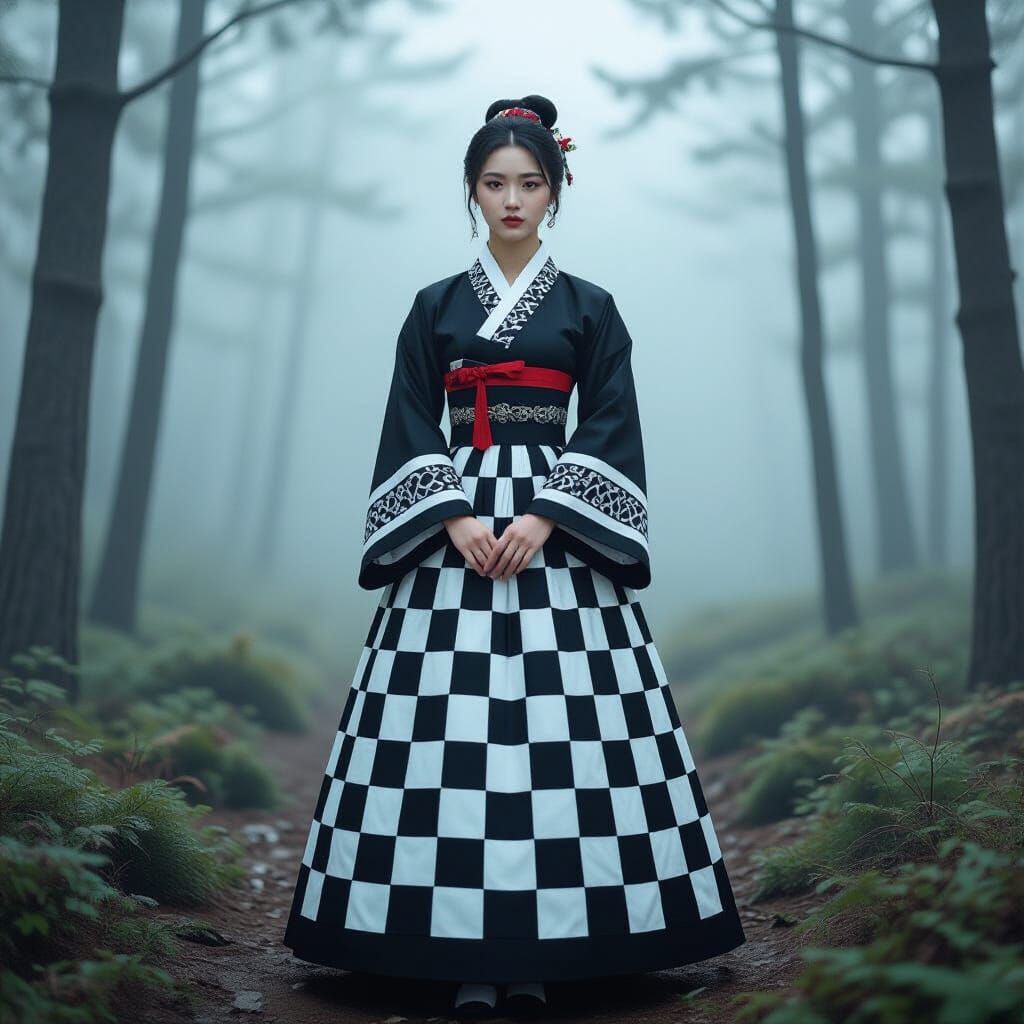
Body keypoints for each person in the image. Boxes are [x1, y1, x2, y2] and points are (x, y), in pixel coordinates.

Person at [282, 94, 747, 1018]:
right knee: (448, 742)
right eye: (494, 183)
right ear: (471, 191)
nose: (511, 199)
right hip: (453, 528)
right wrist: (452, 516)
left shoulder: (591, 308)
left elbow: (611, 422)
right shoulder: (434, 308)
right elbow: (409, 419)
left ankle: (549, 959)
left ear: (555, 190)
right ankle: (455, 956)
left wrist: (545, 517)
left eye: (529, 183)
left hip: (556, 535)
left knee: (566, 741)